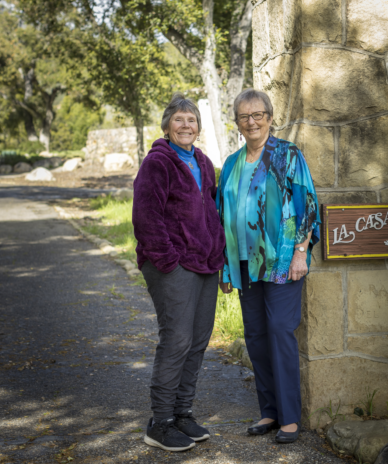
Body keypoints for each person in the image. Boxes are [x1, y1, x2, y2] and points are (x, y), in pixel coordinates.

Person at [216, 89, 320, 444]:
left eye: (258, 114)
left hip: (280, 261)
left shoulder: (287, 154)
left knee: (279, 330)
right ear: (237, 123)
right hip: (244, 264)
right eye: (244, 116)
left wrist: (300, 251)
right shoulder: (231, 164)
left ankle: (290, 417)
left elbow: (305, 203)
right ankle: (269, 412)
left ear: (270, 118)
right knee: (256, 337)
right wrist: (225, 269)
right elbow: (221, 216)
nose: (252, 121)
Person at [132, 93, 225, 452]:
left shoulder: (202, 162)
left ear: (198, 128)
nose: (186, 126)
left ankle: (183, 413)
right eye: (179, 120)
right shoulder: (158, 162)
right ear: (167, 125)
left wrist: (216, 252)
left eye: (192, 121)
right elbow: (146, 216)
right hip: (171, 264)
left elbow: (210, 212)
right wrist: (168, 260)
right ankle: (160, 423)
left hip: (205, 263)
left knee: (199, 340)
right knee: (177, 341)